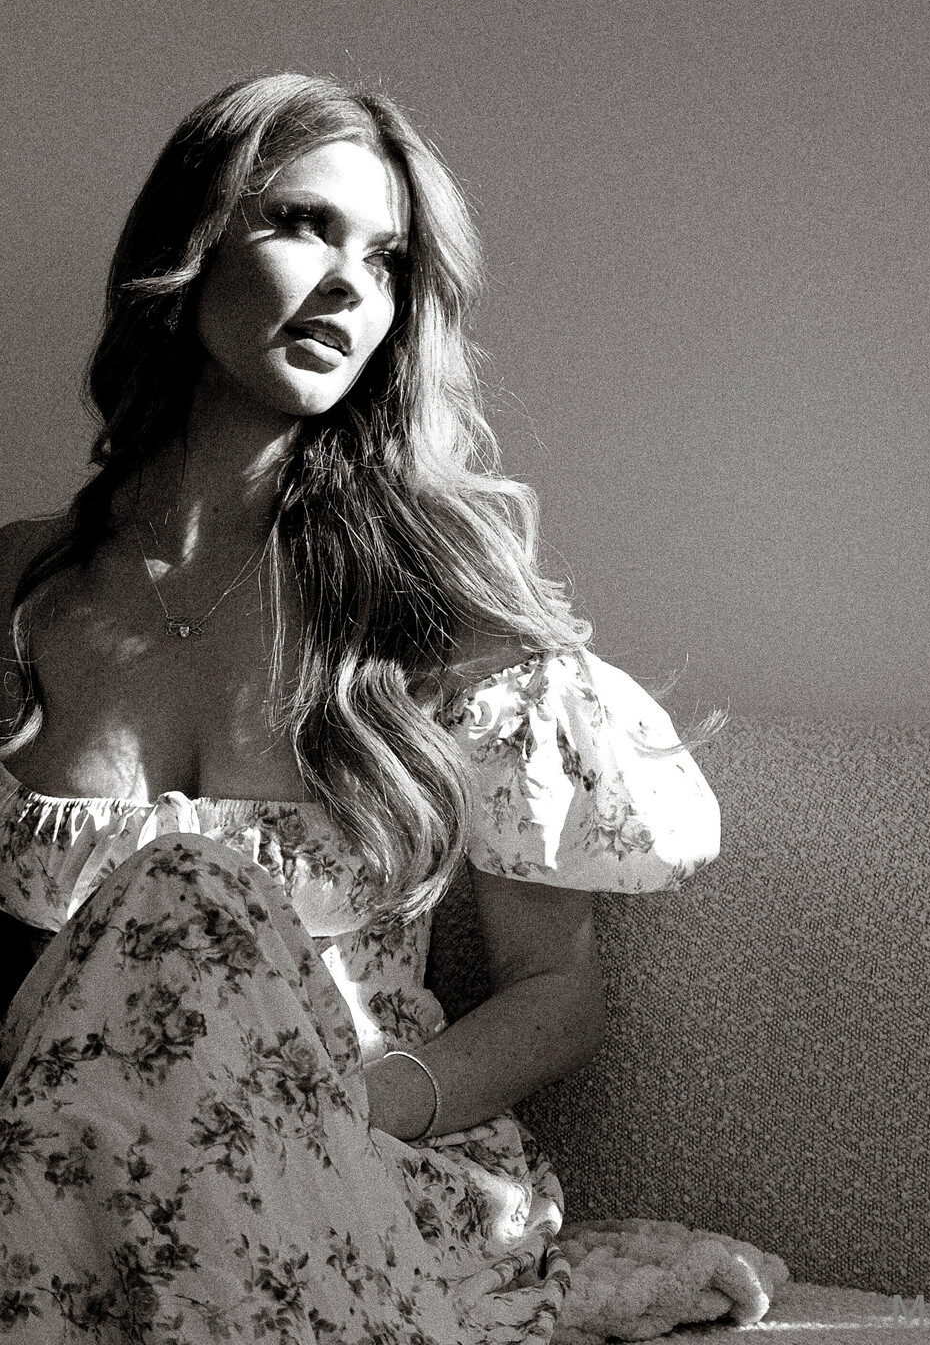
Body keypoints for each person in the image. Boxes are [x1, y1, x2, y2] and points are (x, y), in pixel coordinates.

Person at [0, 73, 721, 1342]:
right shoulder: (18, 593)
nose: (349, 285)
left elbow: (554, 991)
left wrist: (354, 1101)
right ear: (189, 248)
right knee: (163, 914)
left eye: (385, 260)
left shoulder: (438, 609)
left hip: (349, 1168)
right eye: (302, 225)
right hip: (65, 1190)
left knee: (190, 892)